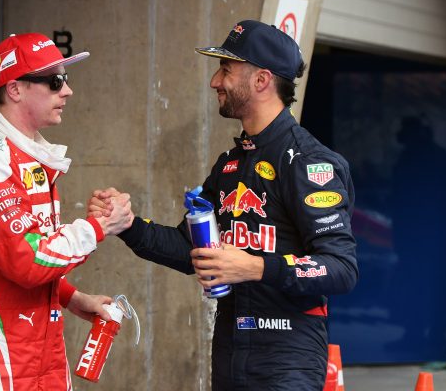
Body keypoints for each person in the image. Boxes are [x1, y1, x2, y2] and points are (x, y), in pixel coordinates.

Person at [89, 21, 358, 390]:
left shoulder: (308, 162)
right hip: (230, 353)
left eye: (226, 70)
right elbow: (190, 250)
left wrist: (254, 267)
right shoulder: (231, 164)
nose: (216, 81)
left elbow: (341, 268)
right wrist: (127, 225)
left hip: (287, 358)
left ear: (262, 81)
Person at [0, 33, 134, 391]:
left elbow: (22, 252)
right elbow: (26, 259)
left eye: (66, 79)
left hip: (41, 351)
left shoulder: (28, 153)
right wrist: (98, 226)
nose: (67, 91)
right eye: (54, 81)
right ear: (15, 90)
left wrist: (74, 299)